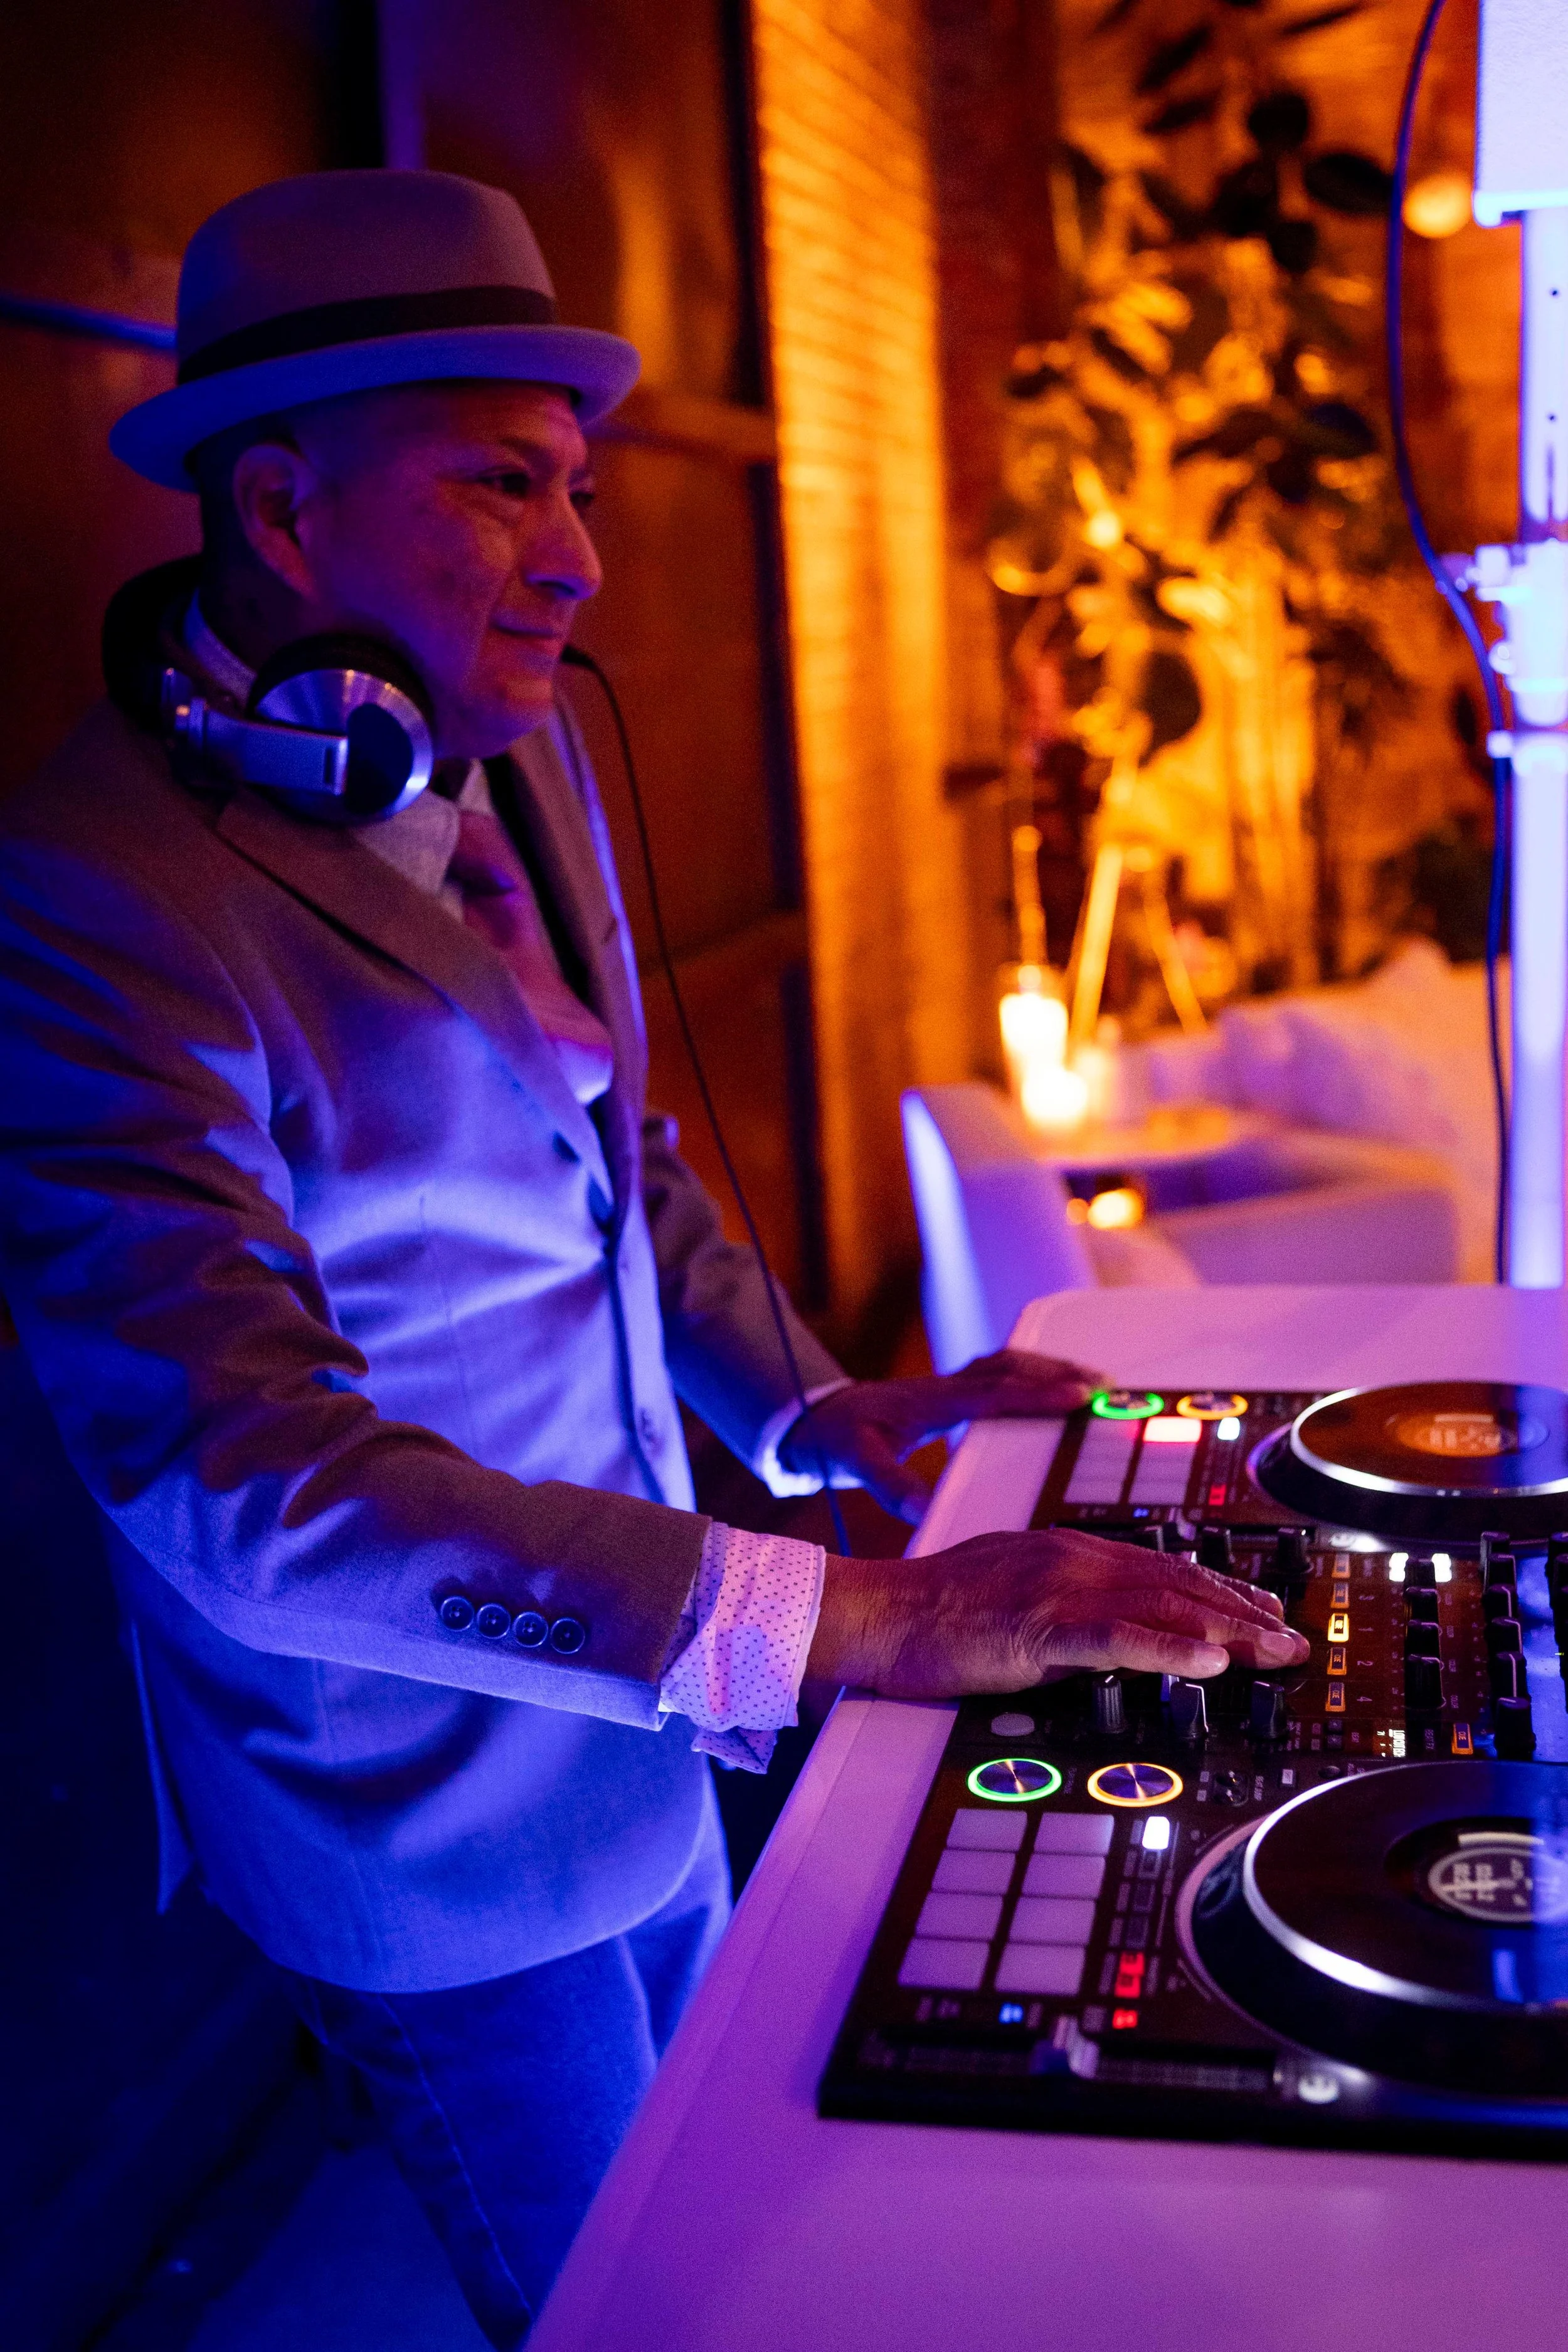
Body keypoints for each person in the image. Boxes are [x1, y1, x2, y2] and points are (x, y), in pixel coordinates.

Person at [0, 171, 1305, 2345]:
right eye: (502, 484)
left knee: (746, 2233)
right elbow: (233, 1475)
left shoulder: (498, 740)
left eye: (578, 487)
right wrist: (855, 1613)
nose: (579, 558)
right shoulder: (88, 897)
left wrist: (816, 1401)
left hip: (665, 1704)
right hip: (414, 1809)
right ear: (286, 511)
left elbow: (617, 1156)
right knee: (636, 2310)